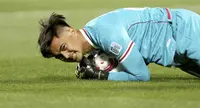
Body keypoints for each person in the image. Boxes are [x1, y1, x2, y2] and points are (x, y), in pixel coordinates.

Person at [38, 7, 200, 81]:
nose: (66, 56)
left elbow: (142, 75)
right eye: (59, 56)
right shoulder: (95, 35)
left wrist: (101, 75)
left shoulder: (106, 34)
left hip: (182, 31)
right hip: (178, 51)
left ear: (71, 31)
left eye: (64, 47)